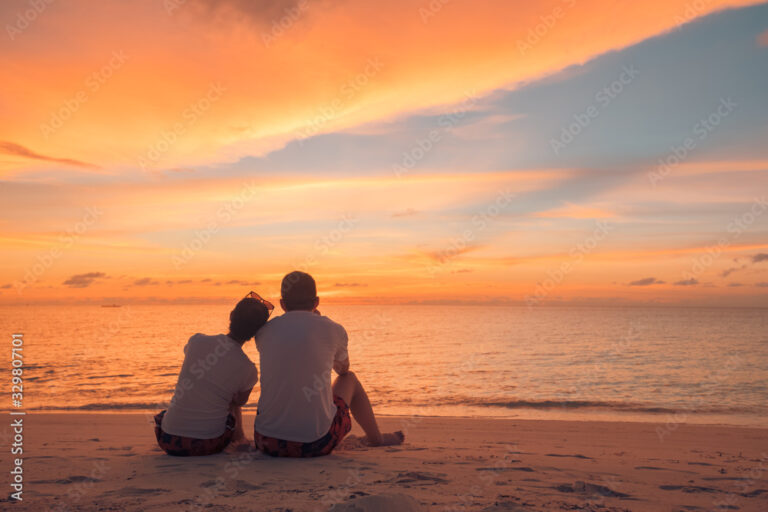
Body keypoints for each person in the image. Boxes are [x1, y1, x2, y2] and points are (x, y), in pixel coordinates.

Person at [253, 270, 404, 457]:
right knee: (350, 379)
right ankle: (376, 439)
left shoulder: (264, 331)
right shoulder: (333, 329)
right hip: (316, 443)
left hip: (266, 442)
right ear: (316, 302)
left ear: (282, 304)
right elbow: (343, 370)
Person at [154, 293, 273, 456]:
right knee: (233, 396)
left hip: (168, 440)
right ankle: (240, 437)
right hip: (208, 444)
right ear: (256, 334)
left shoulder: (197, 341)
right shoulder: (248, 369)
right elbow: (239, 402)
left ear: (231, 316)